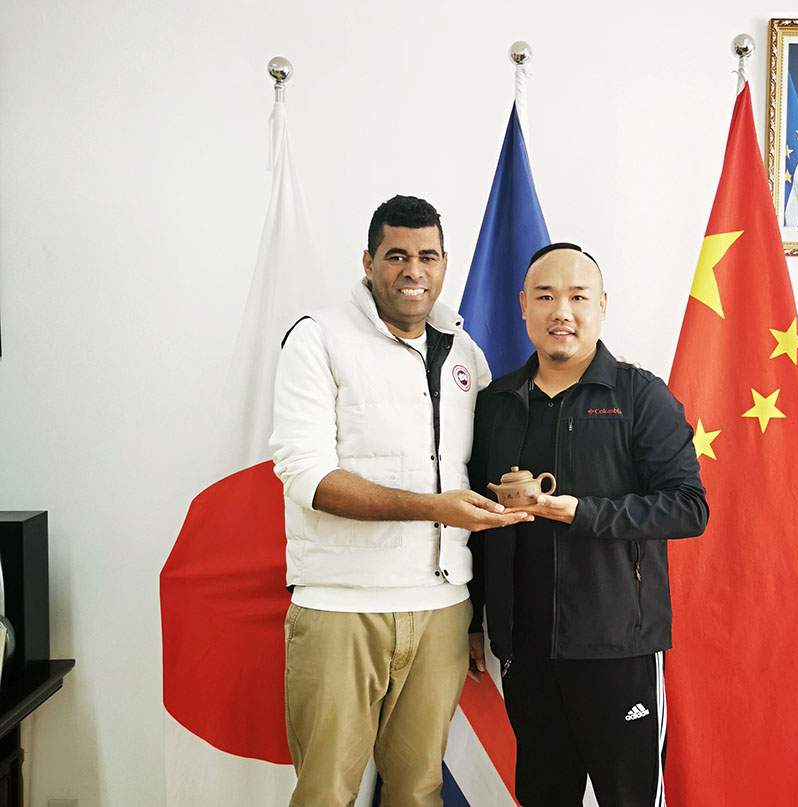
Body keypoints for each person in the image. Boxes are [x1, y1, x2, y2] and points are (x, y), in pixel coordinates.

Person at [269, 194, 529, 807]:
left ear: (444, 264)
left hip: (442, 610)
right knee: (325, 794)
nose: (414, 270)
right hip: (341, 607)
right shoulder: (317, 338)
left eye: (427, 256)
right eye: (397, 256)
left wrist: (601, 379)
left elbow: (503, 442)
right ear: (368, 262)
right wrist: (433, 507)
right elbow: (307, 476)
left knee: (418, 791)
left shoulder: (463, 350)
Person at [468, 243, 709, 806]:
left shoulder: (639, 395)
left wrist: (583, 513)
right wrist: (474, 622)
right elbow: (475, 525)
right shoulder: (496, 403)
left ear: (602, 305)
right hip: (525, 652)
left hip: (617, 648)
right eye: (545, 297)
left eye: (578, 297)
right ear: (523, 306)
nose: (562, 312)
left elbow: (688, 507)